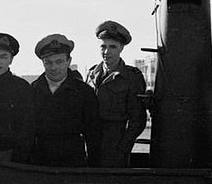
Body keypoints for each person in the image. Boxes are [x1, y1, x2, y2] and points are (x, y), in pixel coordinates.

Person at [31, 34, 101, 167]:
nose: (53, 68)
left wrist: (93, 168)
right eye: (48, 62)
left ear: (68, 61)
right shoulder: (32, 91)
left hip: (72, 163)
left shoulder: (84, 92)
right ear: (43, 62)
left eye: (59, 62)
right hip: (40, 163)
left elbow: (93, 134)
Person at [86, 21, 147, 167]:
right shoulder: (91, 74)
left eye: (112, 47)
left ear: (121, 48)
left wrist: (123, 147)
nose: (107, 52)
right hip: (91, 142)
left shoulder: (132, 77)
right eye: (103, 46)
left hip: (115, 144)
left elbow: (138, 119)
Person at [0, 33, 35, 162]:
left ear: (11, 60)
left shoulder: (21, 88)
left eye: (3, 57)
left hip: (10, 158)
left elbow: (26, 131)